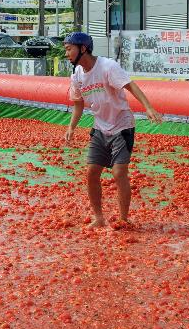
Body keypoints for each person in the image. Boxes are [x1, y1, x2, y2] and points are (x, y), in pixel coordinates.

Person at [63, 32, 162, 229]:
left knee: (119, 172)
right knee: (92, 173)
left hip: (121, 125)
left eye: (69, 49)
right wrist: (71, 128)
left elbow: (130, 86)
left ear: (83, 48)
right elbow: (78, 105)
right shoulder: (77, 76)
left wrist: (148, 107)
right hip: (100, 127)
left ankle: (124, 219)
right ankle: (99, 218)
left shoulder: (107, 66)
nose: (66, 54)